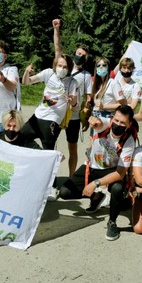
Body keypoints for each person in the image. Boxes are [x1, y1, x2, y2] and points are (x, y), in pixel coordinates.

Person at [57, 105, 137, 241]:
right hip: (92, 166)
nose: (118, 124)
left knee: (117, 188)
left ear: (129, 125)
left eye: (123, 123)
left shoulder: (129, 141)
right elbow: (97, 121)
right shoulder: (106, 124)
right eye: (116, 120)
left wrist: (95, 184)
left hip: (112, 170)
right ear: (112, 118)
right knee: (65, 192)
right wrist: (93, 121)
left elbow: (120, 174)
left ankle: (112, 222)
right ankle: (96, 198)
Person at [53, 19, 93, 175]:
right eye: (78, 53)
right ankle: (51, 180)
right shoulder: (65, 68)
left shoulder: (87, 76)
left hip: (74, 117)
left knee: (72, 148)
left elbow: (89, 97)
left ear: (86, 58)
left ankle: (71, 177)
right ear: (74, 53)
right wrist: (56, 30)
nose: (80, 56)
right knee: (51, 147)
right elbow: (57, 48)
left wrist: (86, 113)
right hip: (57, 113)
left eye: (83, 55)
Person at [21, 53, 78, 150]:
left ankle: (50, 157)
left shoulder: (72, 82)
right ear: (55, 65)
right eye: (60, 66)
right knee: (20, 137)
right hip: (38, 115)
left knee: (48, 151)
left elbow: (74, 103)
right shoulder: (49, 73)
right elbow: (26, 82)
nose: (62, 69)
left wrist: (72, 101)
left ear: (69, 69)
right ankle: (40, 153)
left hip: (52, 120)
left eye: (65, 67)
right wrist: (26, 72)